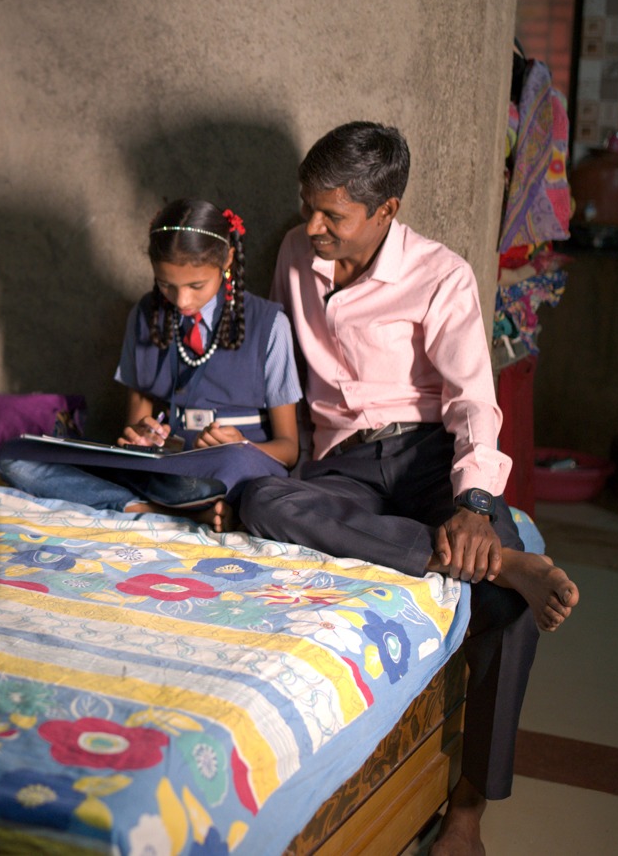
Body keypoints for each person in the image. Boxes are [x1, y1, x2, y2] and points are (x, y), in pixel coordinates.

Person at [236, 122, 580, 856]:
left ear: (387, 209)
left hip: (427, 454)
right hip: (341, 462)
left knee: (508, 603)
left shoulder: (441, 275)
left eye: (334, 215)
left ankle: (465, 816)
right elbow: (279, 373)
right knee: (262, 503)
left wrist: (476, 507)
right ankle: (445, 554)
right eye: (309, 207)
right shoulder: (295, 256)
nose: (313, 226)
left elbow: (470, 403)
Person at [0, 198, 301, 530]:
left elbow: (289, 449)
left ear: (226, 260)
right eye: (167, 284)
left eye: (196, 286)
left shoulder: (270, 324)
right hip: (164, 468)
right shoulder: (145, 315)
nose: (181, 300)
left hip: (227, 469)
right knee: (16, 457)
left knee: (230, 466)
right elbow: (136, 425)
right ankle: (158, 510)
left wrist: (243, 445)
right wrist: (141, 436)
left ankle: (138, 502)